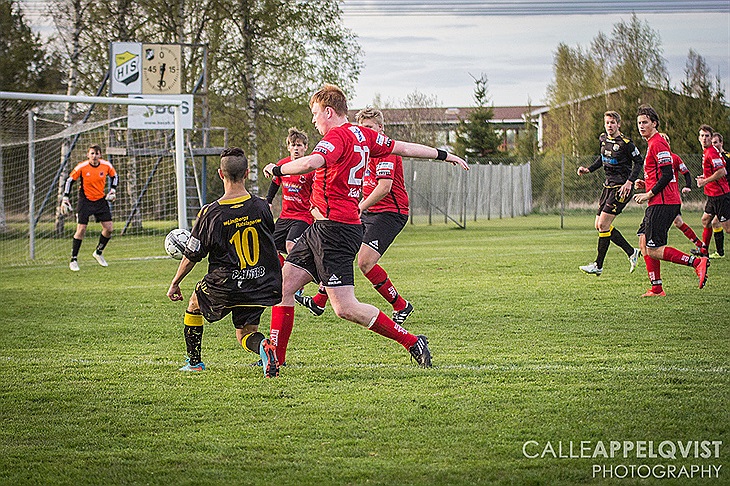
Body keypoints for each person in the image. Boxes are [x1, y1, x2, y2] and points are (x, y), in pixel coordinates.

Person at [262, 84, 469, 370]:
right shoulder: (363, 134)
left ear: (329, 112)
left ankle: (412, 342)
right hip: (322, 228)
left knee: (345, 308)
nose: (313, 119)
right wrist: (444, 155)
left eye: (315, 113)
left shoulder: (337, 136)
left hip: (337, 230)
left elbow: (311, 162)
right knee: (283, 286)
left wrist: (278, 169)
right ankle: (276, 360)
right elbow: (404, 147)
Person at [166, 147, 283, 378]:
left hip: (226, 283)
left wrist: (175, 282)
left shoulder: (210, 213)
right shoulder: (261, 207)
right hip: (259, 281)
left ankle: (194, 362)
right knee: (246, 333)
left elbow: (192, 255)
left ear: (221, 174)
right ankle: (264, 346)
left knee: (194, 303)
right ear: (247, 173)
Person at [294, 107, 414, 325]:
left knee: (365, 262)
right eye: (362, 127)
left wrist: (359, 206)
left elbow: (384, 187)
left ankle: (401, 305)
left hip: (389, 212)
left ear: (381, 128)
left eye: (370, 127)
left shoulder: (386, 151)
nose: (366, 131)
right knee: (340, 250)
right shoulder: (360, 147)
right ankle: (320, 300)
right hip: (367, 210)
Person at [633, 105, 709, 297]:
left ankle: (696, 262)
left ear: (654, 123)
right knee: (643, 240)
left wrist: (648, 194)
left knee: (653, 249)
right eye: (639, 123)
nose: (641, 126)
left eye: (645, 122)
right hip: (660, 201)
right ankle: (656, 288)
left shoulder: (658, 143)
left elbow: (667, 175)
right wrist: (646, 184)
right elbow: (661, 175)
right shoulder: (652, 143)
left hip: (662, 202)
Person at [577, 111, 642, 276]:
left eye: (612, 122)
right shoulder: (603, 139)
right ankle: (631, 252)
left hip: (621, 188)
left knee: (603, 225)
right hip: (608, 186)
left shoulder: (626, 143)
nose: (610, 126)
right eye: (607, 123)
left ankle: (598, 265)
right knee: (599, 225)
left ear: (618, 124)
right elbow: (602, 158)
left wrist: (630, 182)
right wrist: (588, 169)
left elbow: (638, 162)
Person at [60, 145, 118, 272]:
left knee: (109, 229)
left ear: (100, 155)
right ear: (88, 155)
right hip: (85, 201)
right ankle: (73, 259)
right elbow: (69, 181)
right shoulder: (82, 167)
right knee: (81, 229)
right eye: (92, 153)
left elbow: (115, 176)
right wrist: (65, 198)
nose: (94, 156)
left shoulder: (106, 165)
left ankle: (98, 252)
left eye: (97, 153)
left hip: (100, 200)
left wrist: (113, 190)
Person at [265, 128, 314, 264]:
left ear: (305, 147)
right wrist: (268, 201)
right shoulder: (282, 165)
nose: (296, 148)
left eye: (299, 145)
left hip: (303, 216)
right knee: (269, 247)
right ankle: (284, 274)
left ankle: (299, 275)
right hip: (285, 215)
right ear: (288, 147)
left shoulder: (309, 168)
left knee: (291, 246)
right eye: (293, 145)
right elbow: (275, 183)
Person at [659, 133, 705, 252]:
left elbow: (686, 173)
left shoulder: (674, 158)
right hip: (660, 197)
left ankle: (656, 248)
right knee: (678, 222)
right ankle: (700, 245)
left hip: (671, 197)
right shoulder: (654, 158)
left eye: (664, 141)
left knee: (668, 223)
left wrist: (688, 186)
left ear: (668, 144)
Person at [696, 125, 730, 259]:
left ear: (711, 138)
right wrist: (704, 177)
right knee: (705, 220)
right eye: (702, 136)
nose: (704, 138)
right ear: (699, 138)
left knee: (728, 228)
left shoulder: (711, 152)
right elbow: (714, 171)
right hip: (712, 195)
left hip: (720, 195)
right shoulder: (706, 152)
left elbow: (722, 171)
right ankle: (704, 250)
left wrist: (705, 181)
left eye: (707, 136)